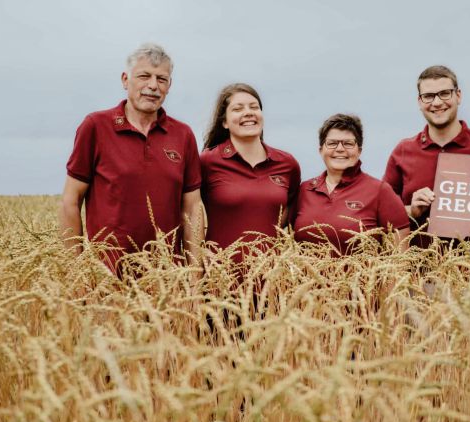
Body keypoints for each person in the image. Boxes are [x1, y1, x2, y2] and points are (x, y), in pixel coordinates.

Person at [58, 43, 204, 272]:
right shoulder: (96, 127)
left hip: (169, 277)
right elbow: (70, 201)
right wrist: (77, 272)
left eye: (161, 79)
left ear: (169, 86)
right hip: (107, 276)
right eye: (144, 76)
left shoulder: (183, 135)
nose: (153, 86)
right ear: (125, 80)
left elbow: (192, 208)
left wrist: (194, 275)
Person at [383, 65, 470, 248]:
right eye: (428, 96)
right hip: (416, 265)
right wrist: (412, 210)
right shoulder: (403, 151)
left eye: (444, 94)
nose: (437, 102)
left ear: (458, 96)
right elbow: (382, 211)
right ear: (419, 102)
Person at [200, 83, 301, 252]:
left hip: (273, 268)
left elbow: (291, 209)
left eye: (254, 107)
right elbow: (190, 209)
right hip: (220, 267)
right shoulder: (207, 162)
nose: (248, 112)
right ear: (224, 122)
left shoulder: (287, 164)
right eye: (238, 109)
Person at [294, 114, 410, 254]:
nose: (340, 149)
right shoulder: (304, 190)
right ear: (321, 150)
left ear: (359, 151)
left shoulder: (380, 191)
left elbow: (401, 257)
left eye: (348, 143)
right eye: (332, 143)